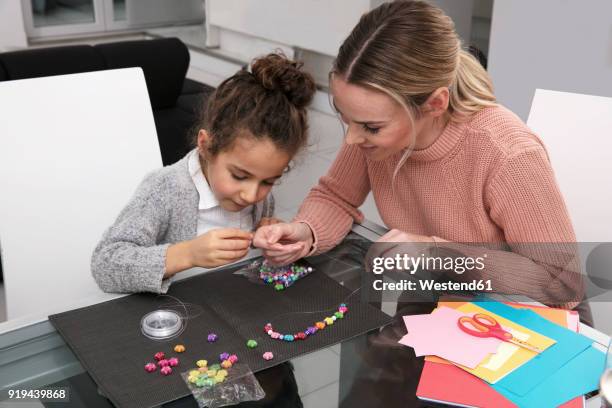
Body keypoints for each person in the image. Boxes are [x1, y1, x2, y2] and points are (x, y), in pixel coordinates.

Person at [254, 0, 587, 315]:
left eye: (371, 126)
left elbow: (560, 284)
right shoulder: (372, 137)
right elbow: (336, 196)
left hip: (516, 317)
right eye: (345, 118)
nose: (353, 139)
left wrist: (438, 253)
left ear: (435, 104)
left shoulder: (506, 152)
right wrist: (306, 230)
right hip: (436, 300)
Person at [91, 53, 316, 294]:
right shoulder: (165, 188)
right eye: (239, 176)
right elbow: (105, 264)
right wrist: (187, 253)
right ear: (206, 146)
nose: (252, 195)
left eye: (269, 181)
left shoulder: (261, 199)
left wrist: (267, 234)